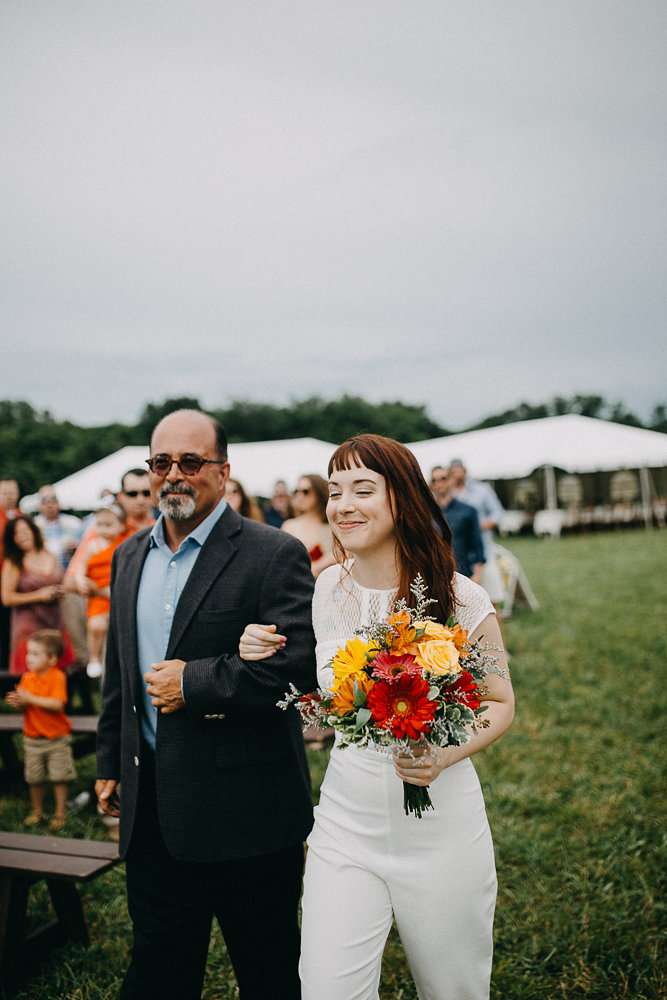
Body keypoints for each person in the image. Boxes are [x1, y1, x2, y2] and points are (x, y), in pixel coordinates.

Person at [240, 434, 514, 1000]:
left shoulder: (461, 597)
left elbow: (499, 702)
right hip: (345, 822)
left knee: (453, 990)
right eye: (335, 491)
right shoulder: (326, 589)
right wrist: (256, 645)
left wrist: (442, 754)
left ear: (402, 498)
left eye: (362, 489)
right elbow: (319, 679)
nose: (343, 505)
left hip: (440, 828)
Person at [95, 408, 317, 1000]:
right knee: (158, 970)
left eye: (190, 462)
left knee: (268, 971)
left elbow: (297, 670)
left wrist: (192, 683)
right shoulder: (127, 557)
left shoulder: (272, 553)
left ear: (223, 470)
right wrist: (110, 761)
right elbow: (120, 674)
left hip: (248, 812)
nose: (174, 475)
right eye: (161, 462)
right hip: (152, 812)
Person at [5, 628, 77, 832]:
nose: (29, 658)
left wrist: (30, 699)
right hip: (32, 739)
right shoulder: (27, 678)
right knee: (34, 778)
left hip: (56, 739)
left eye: (35, 654)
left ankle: (60, 813)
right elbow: (26, 706)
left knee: (59, 777)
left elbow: (57, 704)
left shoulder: (57, 677)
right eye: (29, 652)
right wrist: (19, 703)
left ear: (52, 659)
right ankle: (37, 811)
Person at [1, 516, 75, 675]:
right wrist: (39, 596)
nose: (21, 536)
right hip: (29, 626)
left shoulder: (49, 554)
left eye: (24, 531)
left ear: (33, 530)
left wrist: (61, 590)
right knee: (33, 673)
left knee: (58, 673)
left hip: (55, 621)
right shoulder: (13, 562)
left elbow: (63, 580)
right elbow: (7, 598)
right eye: (16, 534)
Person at [72, 503, 130, 679]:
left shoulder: (125, 544)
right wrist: (81, 580)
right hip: (97, 595)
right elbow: (80, 567)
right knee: (96, 625)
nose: (103, 529)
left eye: (108, 525)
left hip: (118, 594)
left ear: (121, 526)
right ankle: (94, 657)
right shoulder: (92, 545)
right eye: (99, 524)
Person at [449, 460, 506, 609]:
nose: (456, 475)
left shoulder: (482, 490)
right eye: (453, 472)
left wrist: (479, 526)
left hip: (483, 545)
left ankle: (495, 615)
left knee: (490, 586)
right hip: (458, 550)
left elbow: (497, 512)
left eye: (459, 471)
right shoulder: (448, 493)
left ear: (465, 471)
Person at [431, 465, 486, 582]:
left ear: (451, 481)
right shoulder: (426, 514)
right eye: (434, 480)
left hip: (463, 575)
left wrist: (477, 577)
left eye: (443, 478)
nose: (439, 483)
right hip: (435, 576)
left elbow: (477, 547)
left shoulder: (468, 511)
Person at [282, 474, 335, 577]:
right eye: (296, 491)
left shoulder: (334, 525)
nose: (300, 496)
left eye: (305, 491)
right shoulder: (289, 526)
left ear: (319, 491)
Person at [34, 486, 84, 570]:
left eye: (53, 501)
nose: (49, 505)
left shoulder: (74, 523)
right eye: (45, 502)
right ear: (39, 506)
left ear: (59, 503)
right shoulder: (33, 526)